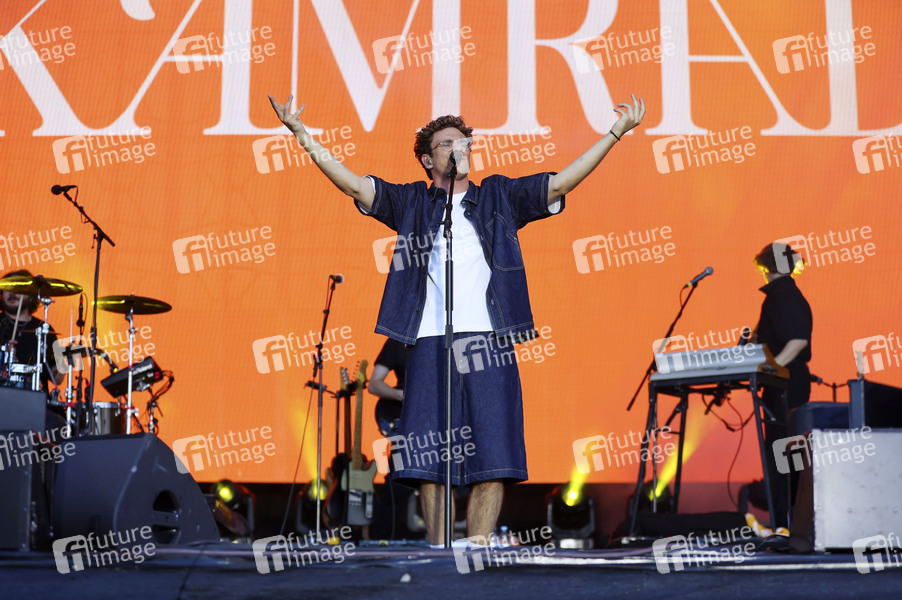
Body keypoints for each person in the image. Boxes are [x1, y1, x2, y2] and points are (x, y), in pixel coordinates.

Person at [269, 93, 645, 546]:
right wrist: (301, 133)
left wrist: (615, 133)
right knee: (430, 462)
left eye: (463, 141)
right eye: (447, 143)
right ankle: (438, 556)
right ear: (429, 160)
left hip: (489, 339)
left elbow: (561, 182)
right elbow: (354, 186)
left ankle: (479, 550)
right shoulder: (412, 201)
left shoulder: (500, 196)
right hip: (428, 340)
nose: (459, 148)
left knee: (494, 454)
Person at [751, 243, 813, 529]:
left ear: (767, 267)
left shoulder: (783, 294)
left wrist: (772, 369)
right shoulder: (784, 295)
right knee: (784, 453)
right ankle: (785, 523)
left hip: (785, 384)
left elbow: (798, 340)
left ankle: (788, 523)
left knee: (784, 454)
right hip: (783, 382)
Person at [0, 270, 64, 392]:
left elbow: (58, 379)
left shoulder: (45, 329)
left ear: (31, 296)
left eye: (19, 288)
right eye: (8, 288)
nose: (12, 293)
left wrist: (60, 371)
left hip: (34, 397)